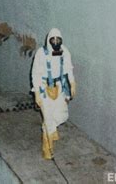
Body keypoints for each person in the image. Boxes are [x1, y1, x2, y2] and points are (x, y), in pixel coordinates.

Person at [31, 28, 76, 160]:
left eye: (58, 39)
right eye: (53, 40)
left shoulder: (64, 52)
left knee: (61, 114)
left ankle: (52, 129)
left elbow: (68, 68)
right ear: (48, 40)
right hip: (45, 89)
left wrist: (72, 83)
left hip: (59, 87)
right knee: (48, 118)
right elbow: (35, 74)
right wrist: (37, 93)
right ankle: (47, 147)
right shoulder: (41, 54)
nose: (55, 42)